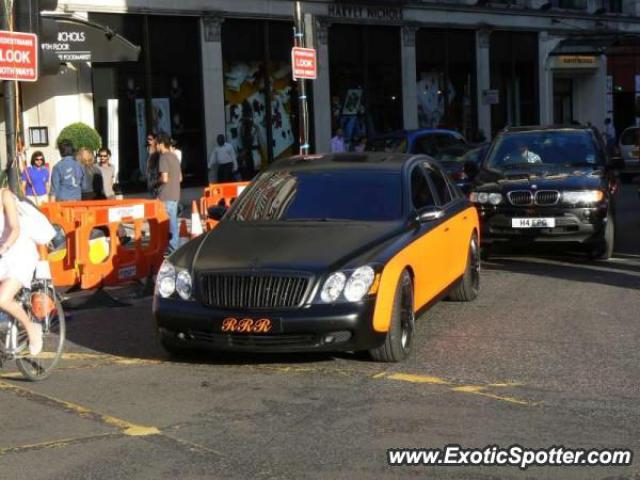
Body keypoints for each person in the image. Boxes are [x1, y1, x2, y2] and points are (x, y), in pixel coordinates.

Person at [0, 189, 42, 355]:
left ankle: (32, 328)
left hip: (18, 253)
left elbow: (15, 228)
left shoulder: (5, 195)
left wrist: (4, 247)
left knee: (2, 299)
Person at [156, 133, 182, 254]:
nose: (156, 146)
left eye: (156, 144)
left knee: (168, 223)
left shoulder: (164, 157)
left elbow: (164, 178)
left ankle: (172, 248)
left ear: (161, 144)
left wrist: (156, 181)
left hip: (166, 194)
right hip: (175, 192)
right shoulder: (174, 156)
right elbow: (180, 177)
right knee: (173, 221)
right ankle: (174, 246)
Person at [146, 132, 160, 196]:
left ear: (155, 139)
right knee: (150, 187)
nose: (148, 140)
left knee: (155, 186)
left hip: (155, 169)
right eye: (148, 139)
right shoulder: (148, 148)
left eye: (150, 139)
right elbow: (148, 160)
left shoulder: (157, 148)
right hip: (150, 169)